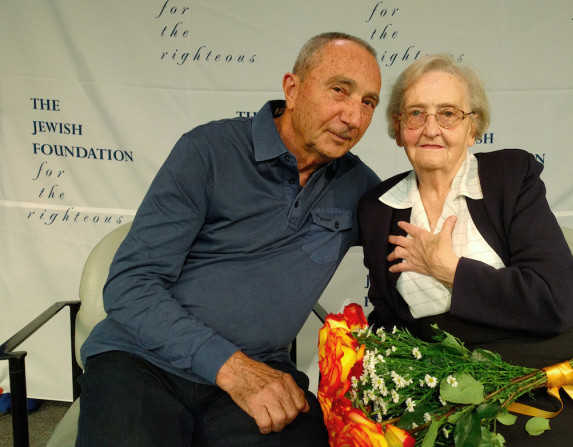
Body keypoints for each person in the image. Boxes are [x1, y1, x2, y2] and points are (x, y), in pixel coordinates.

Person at [77, 32, 382, 447]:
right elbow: (130, 285)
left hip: (263, 369)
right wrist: (230, 367)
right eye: (339, 91)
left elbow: (415, 235)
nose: (353, 117)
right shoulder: (208, 150)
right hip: (143, 360)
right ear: (292, 89)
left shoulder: (358, 186)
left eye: (368, 103)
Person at [358, 54, 573, 446]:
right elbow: (389, 312)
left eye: (448, 113)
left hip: (547, 363)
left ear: (473, 127)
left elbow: (554, 301)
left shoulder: (510, 178)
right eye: (415, 114)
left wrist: (451, 270)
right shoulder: (378, 207)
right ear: (398, 128)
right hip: (447, 378)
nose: (431, 128)